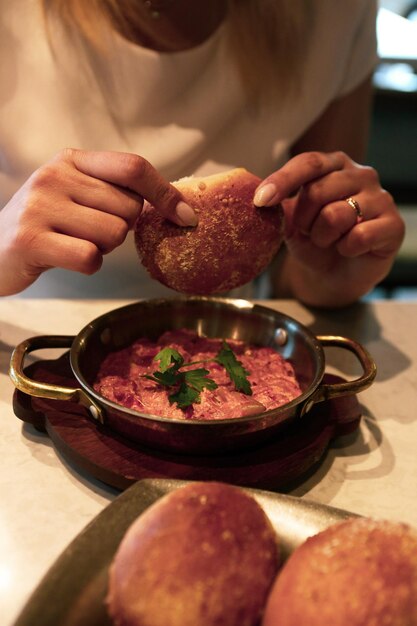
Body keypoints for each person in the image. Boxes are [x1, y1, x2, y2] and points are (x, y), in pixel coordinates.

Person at [0, 0, 405, 307]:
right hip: (28, 341)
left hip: (227, 343)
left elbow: (294, 264)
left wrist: (325, 278)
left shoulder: (333, 14)